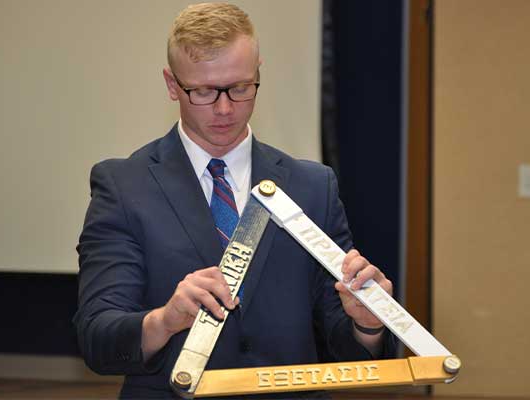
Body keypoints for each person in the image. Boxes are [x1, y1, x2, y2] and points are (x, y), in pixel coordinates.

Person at [74, 2, 396, 398]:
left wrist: (369, 324)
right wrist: (165, 320)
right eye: (204, 91)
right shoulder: (124, 185)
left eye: (241, 88)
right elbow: (97, 338)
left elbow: (343, 345)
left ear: (258, 72)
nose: (225, 109)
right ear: (172, 84)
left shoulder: (313, 185)